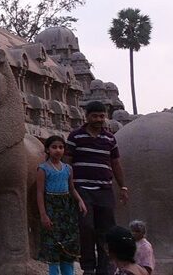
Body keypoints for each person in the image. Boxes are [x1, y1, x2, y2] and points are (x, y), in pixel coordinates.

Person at [65, 101, 128, 275]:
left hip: (104, 190)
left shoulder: (110, 139)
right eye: (95, 116)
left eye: (102, 116)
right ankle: (88, 267)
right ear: (87, 117)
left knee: (106, 230)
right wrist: (68, 187)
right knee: (86, 228)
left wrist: (123, 186)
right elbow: (67, 162)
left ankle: (105, 267)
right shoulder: (76, 136)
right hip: (82, 189)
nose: (99, 119)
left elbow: (115, 164)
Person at [37, 135, 87, 275]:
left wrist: (80, 200)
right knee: (53, 244)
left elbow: (71, 188)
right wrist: (43, 214)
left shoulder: (68, 169)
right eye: (54, 147)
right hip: (51, 208)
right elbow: (40, 193)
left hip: (67, 209)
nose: (58, 150)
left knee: (68, 244)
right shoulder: (43, 169)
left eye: (61, 147)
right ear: (47, 150)